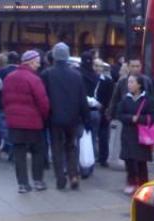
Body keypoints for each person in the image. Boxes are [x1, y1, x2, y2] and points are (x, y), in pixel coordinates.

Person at [41, 42, 91, 190]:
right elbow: (83, 99)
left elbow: (43, 98)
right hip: (73, 118)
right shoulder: (77, 75)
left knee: (56, 148)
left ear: (55, 56)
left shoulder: (47, 74)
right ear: (68, 56)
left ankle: (60, 178)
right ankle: (73, 175)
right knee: (71, 147)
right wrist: (86, 117)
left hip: (54, 117)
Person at [2, 50, 50, 193]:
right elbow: (43, 102)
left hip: (15, 123)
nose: (38, 65)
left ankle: (22, 184)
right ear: (30, 62)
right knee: (38, 151)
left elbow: (5, 100)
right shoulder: (34, 79)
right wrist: (44, 116)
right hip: (33, 122)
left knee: (19, 153)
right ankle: (38, 181)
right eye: (37, 62)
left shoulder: (9, 77)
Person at [117, 74, 154, 195]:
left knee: (141, 161)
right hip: (128, 133)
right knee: (129, 160)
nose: (129, 85)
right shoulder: (125, 99)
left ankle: (143, 184)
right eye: (128, 82)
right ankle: (131, 182)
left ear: (139, 85)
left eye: (132, 82)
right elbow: (119, 115)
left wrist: (139, 119)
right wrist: (130, 118)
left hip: (142, 135)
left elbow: (153, 116)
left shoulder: (148, 99)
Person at [108, 57, 154, 121]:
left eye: (137, 66)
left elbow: (152, 99)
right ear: (128, 67)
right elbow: (115, 99)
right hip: (125, 118)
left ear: (141, 66)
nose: (135, 68)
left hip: (142, 118)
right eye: (133, 66)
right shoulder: (122, 81)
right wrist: (110, 114)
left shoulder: (147, 81)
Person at [0, 51, 19, 161]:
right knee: (13, 128)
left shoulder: (1, 72)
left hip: (2, 103)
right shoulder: (20, 72)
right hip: (15, 104)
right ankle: (12, 152)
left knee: (0, 128)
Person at [80, 50, 100, 176]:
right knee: (93, 138)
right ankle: (91, 163)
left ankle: (83, 165)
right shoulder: (96, 76)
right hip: (95, 110)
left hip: (82, 111)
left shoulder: (77, 74)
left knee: (82, 139)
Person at [93, 58, 114, 167]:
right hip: (91, 111)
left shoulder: (108, 81)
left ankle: (103, 158)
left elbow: (111, 97)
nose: (97, 68)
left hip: (103, 111)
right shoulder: (89, 79)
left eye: (100, 66)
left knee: (103, 136)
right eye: (96, 65)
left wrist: (107, 110)